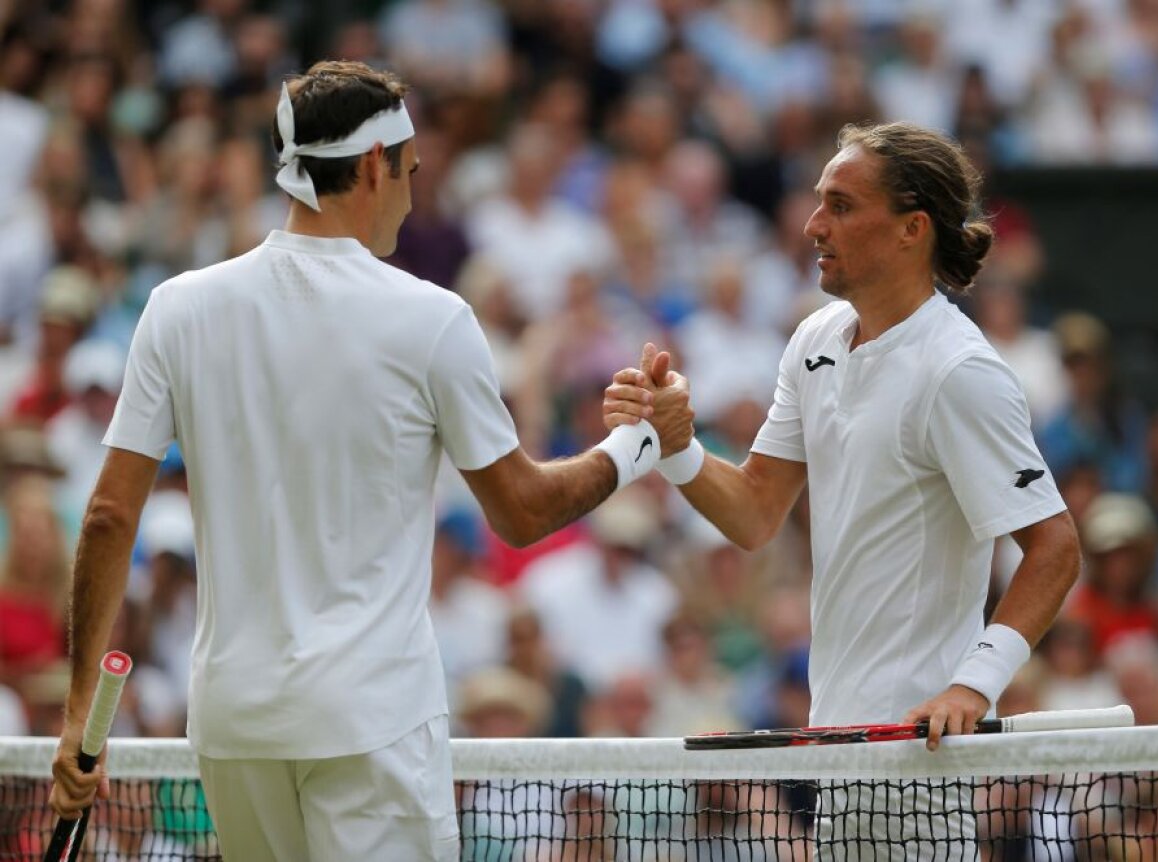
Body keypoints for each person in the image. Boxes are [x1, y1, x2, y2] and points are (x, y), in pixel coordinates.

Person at [48, 60, 692, 862]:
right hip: (371, 725)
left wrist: (81, 715)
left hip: (233, 725)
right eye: (411, 171)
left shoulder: (178, 308)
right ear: (376, 163)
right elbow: (522, 512)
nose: (415, 194)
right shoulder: (433, 319)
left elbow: (109, 514)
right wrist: (638, 446)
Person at [605, 121, 1081, 858]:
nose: (812, 224)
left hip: (917, 763)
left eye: (841, 205)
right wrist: (676, 447)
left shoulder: (960, 373)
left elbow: (1053, 547)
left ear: (910, 230)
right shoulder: (818, 338)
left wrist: (972, 688)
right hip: (839, 742)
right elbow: (758, 511)